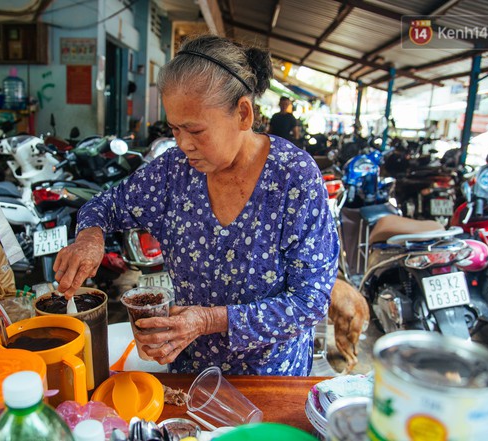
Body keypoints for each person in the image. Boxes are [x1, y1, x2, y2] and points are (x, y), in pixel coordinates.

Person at [53, 35, 339, 376]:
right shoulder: (173, 170)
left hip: (271, 378)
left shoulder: (294, 177)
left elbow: (310, 301)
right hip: (191, 373)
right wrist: (89, 237)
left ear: (243, 113)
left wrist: (207, 320)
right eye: (174, 129)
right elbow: (105, 204)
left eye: (195, 130)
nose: (183, 144)